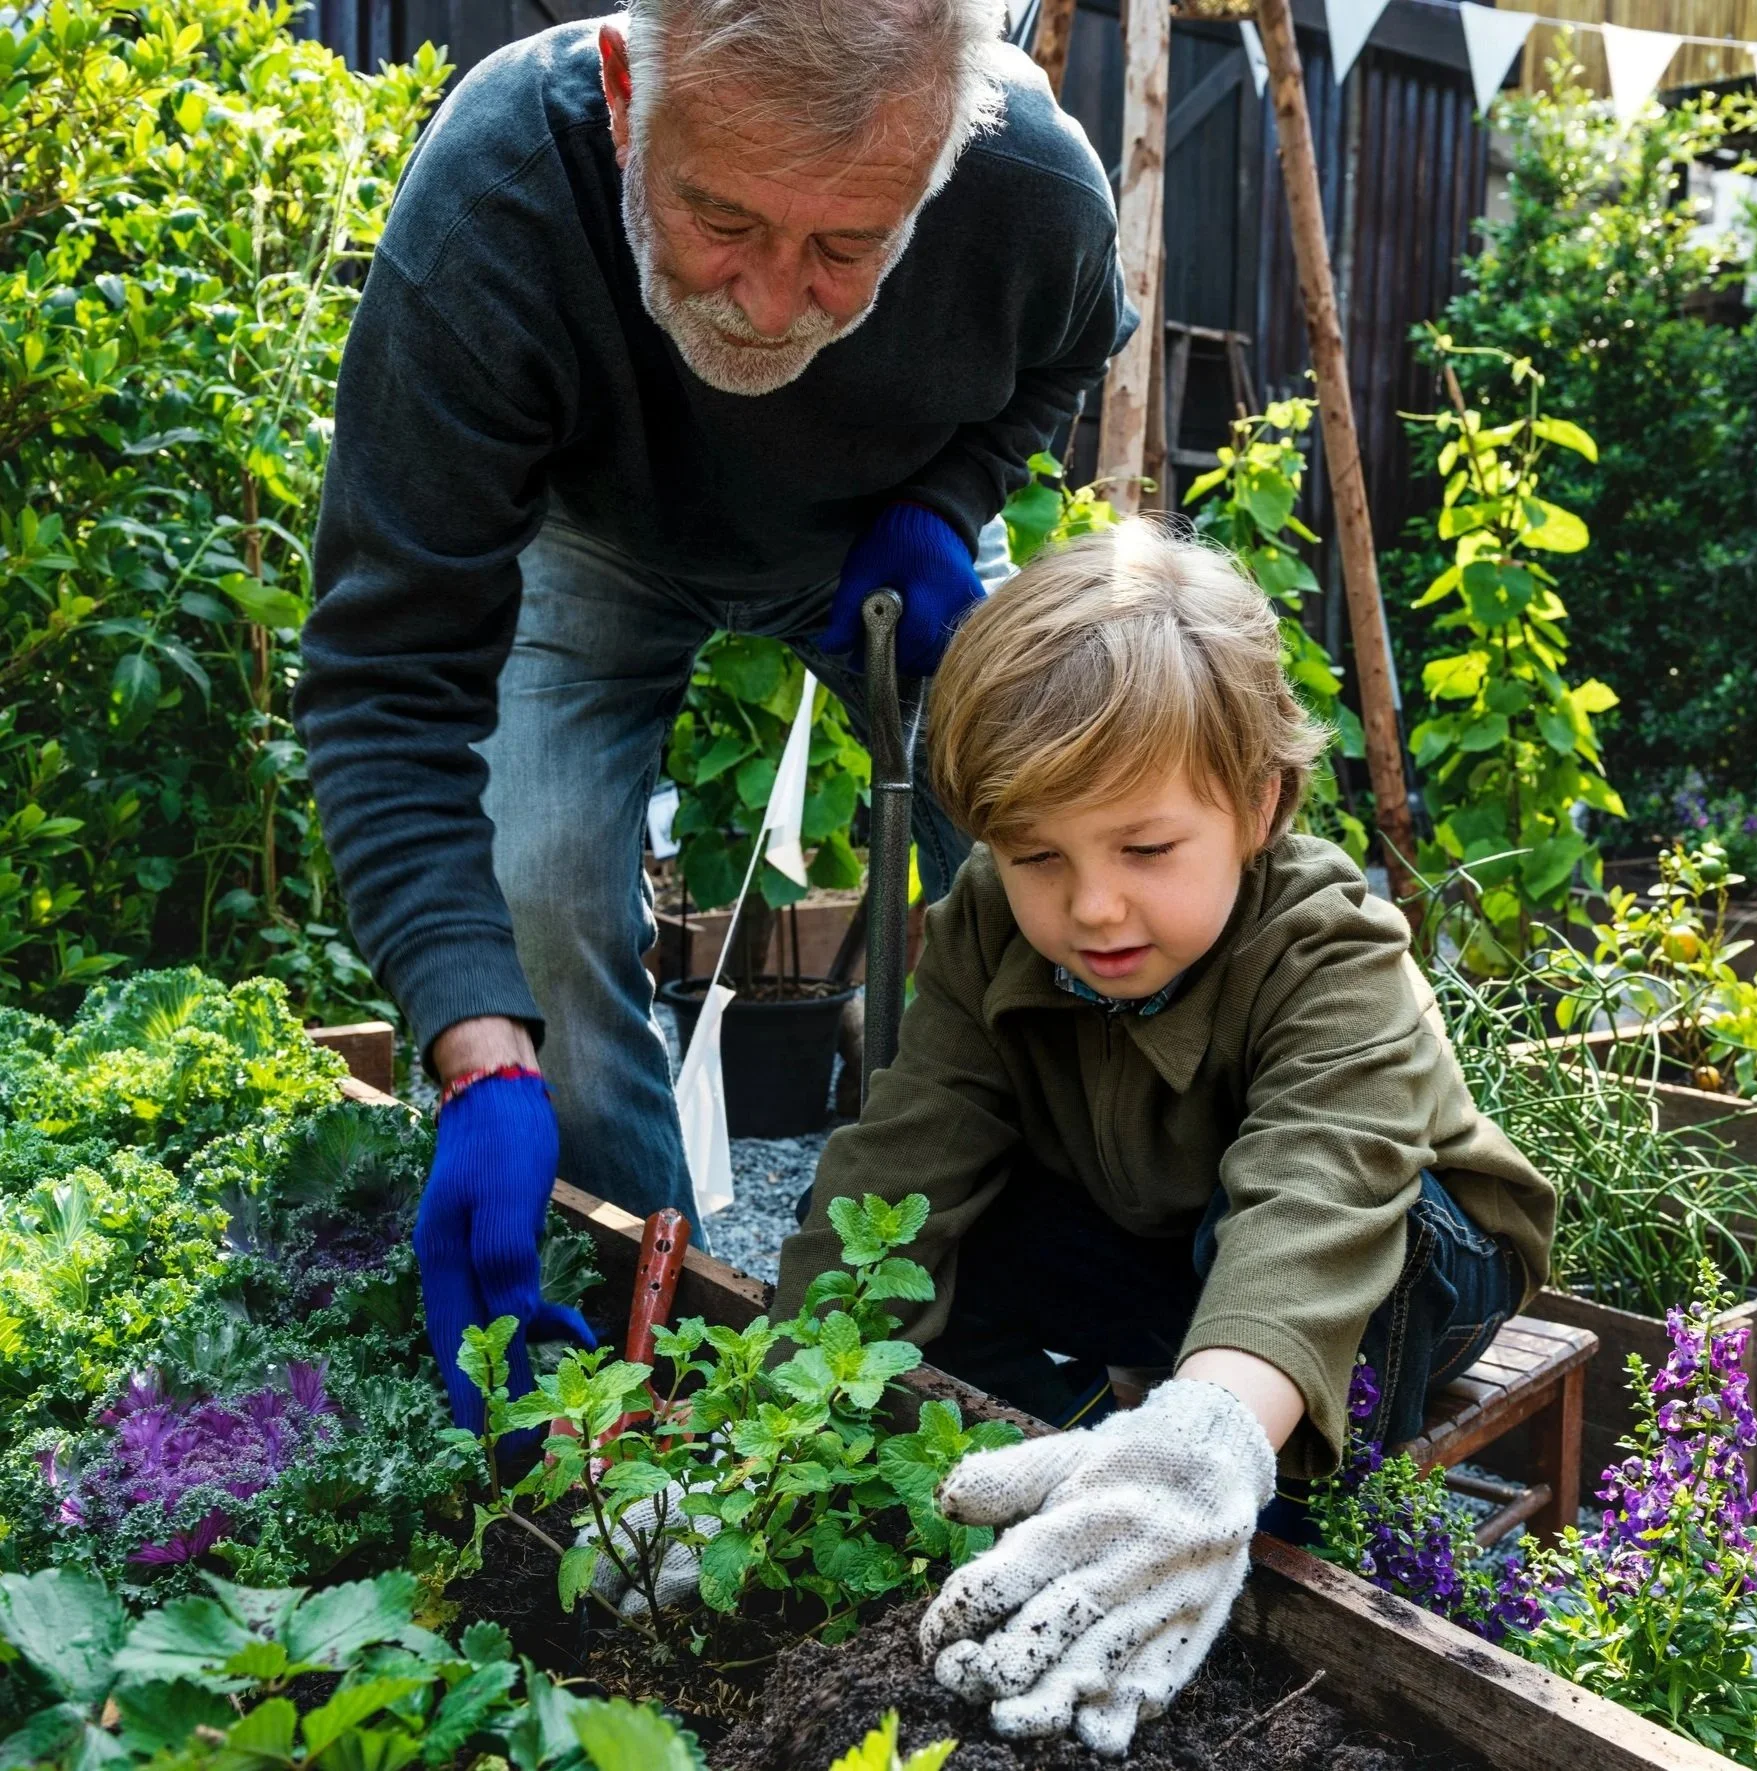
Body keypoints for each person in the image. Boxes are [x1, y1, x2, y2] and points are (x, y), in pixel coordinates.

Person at [292, 0, 1133, 1425]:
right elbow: (388, 675)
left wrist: (942, 506)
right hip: (592, 540)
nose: (763, 298)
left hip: (880, 540)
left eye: (845, 248)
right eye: (719, 217)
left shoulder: (1028, 184)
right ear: (627, 95)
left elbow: (1062, 354)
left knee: (1066, 847)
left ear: (939, 162)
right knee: (537, 911)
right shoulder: (500, 193)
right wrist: (478, 1048)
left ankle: (1082, 1284)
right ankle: (652, 1343)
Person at [771, 520, 1556, 1753]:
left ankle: (1264, 1507)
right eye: (1036, 855)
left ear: (1257, 804)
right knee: (934, 1237)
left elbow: (1315, 1193)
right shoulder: (990, 925)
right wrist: (773, 1424)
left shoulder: (1328, 945)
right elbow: (902, 1157)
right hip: (1156, 1226)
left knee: (1370, 1250)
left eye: (1144, 848)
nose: (1090, 904)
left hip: (1396, 1249)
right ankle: (1078, 1456)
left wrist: (1208, 1446)